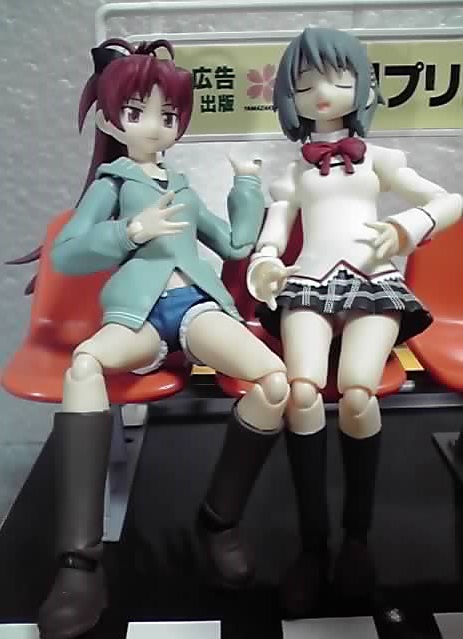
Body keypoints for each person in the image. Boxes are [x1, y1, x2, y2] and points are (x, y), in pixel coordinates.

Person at [37, 38, 289, 639]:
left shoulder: (182, 184)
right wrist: (131, 231)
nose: (154, 125)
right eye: (136, 112)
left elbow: (234, 244)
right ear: (110, 119)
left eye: (168, 114)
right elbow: (66, 254)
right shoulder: (112, 181)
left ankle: (218, 520)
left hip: (197, 307)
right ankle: (79, 562)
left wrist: (246, 185)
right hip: (140, 315)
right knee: (84, 364)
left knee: (275, 381)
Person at [247, 27, 462, 616]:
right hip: (308, 284)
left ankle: (358, 540)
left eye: (339, 77)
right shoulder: (292, 173)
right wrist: (266, 263)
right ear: (289, 94)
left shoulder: (382, 160)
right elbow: (273, 234)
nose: (322, 92)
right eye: (305, 81)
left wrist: (406, 227)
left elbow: (448, 200)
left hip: (374, 283)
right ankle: (313, 545)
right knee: (302, 392)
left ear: (362, 85)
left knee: (360, 393)